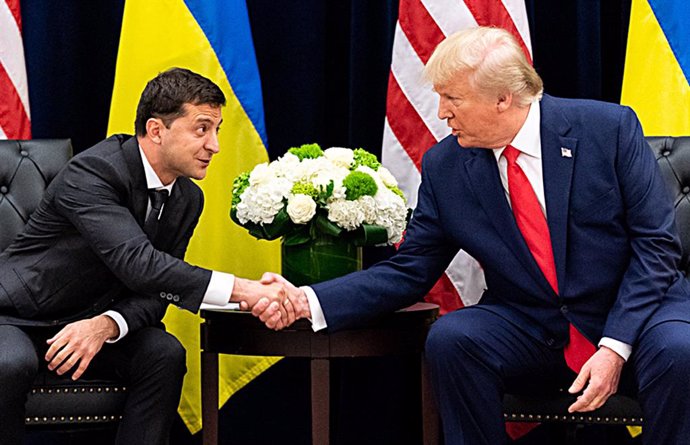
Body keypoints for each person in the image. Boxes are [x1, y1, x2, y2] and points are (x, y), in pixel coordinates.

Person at [255, 27, 690, 444]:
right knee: (454, 338)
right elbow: (410, 269)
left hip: (637, 315)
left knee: (679, 348)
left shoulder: (607, 129)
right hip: (533, 324)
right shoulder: (446, 166)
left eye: (452, 99)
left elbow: (656, 247)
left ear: (504, 98)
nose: (442, 112)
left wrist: (615, 346)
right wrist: (307, 299)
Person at [0, 67, 290, 445]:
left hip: (91, 321)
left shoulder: (188, 198)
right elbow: (139, 263)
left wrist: (106, 324)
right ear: (156, 130)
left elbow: (157, 292)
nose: (215, 145)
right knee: (10, 363)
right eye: (202, 129)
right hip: (18, 317)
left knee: (163, 352)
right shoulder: (92, 172)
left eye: (216, 130)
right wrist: (244, 291)